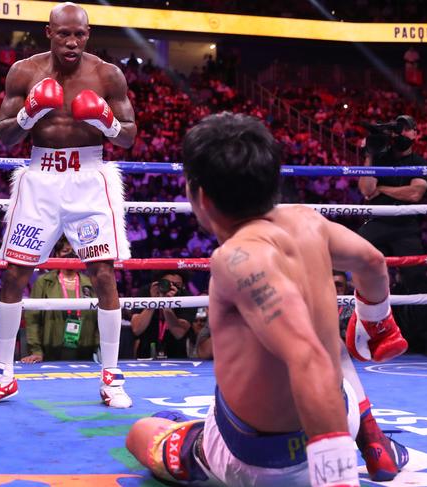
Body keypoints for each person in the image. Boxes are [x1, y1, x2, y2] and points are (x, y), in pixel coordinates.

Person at [126, 113, 409, 486]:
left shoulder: (236, 259)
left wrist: (337, 478)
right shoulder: (309, 221)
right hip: (340, 414)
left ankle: (197, 442)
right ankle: (371, 437)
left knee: (142, 433)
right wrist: (377, 323)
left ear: (201, 196)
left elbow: (306, 357)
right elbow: (371, 261)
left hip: (258, 462)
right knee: (329, 341)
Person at [0, 2, 136, 408]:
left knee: (102, 274)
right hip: (40, 175)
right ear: (49, 32)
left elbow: (129, 137)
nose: (72, 42)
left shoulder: (106, 74)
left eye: (79, 34)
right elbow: (5, 137)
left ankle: (112, 378)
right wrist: (30, 112)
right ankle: (3, 374)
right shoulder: (24, 72)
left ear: (88, 34)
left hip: (90, 178)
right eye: (64, 34)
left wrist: (104, 120)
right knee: (14, 274)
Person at [358, 115, 427, 356]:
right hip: (378, 222)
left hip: (406, 226)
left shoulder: (419, 161)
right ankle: (358, 331)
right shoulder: (381, 158)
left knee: (417, 278)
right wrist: (370, 155)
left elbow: (415, 194)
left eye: (407, 130)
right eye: (398, 129)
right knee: (353, 261)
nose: (402, 134)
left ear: (415, 134)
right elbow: (366, 190)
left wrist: (382, 188)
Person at [21, 237, 99, 363]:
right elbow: (32, 319)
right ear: (56, 254)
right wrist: (36, 351)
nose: (70, 254)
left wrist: (99, 348)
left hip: (86, 351)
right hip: (50, 351)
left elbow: (99, 320)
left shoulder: (90, 284)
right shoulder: (44, 282)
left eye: (74, 251)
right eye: (65, 250)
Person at [130, 271, 196, 359]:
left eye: (177, 285)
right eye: (167, 283)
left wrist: (166, 304)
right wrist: (153, 302)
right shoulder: (146, 292)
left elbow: (179, 333)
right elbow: (136, 329)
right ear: (158, 283)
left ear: (183, 286)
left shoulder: (186, 297)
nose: (171, 287)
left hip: (176, 356)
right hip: (146, 354)